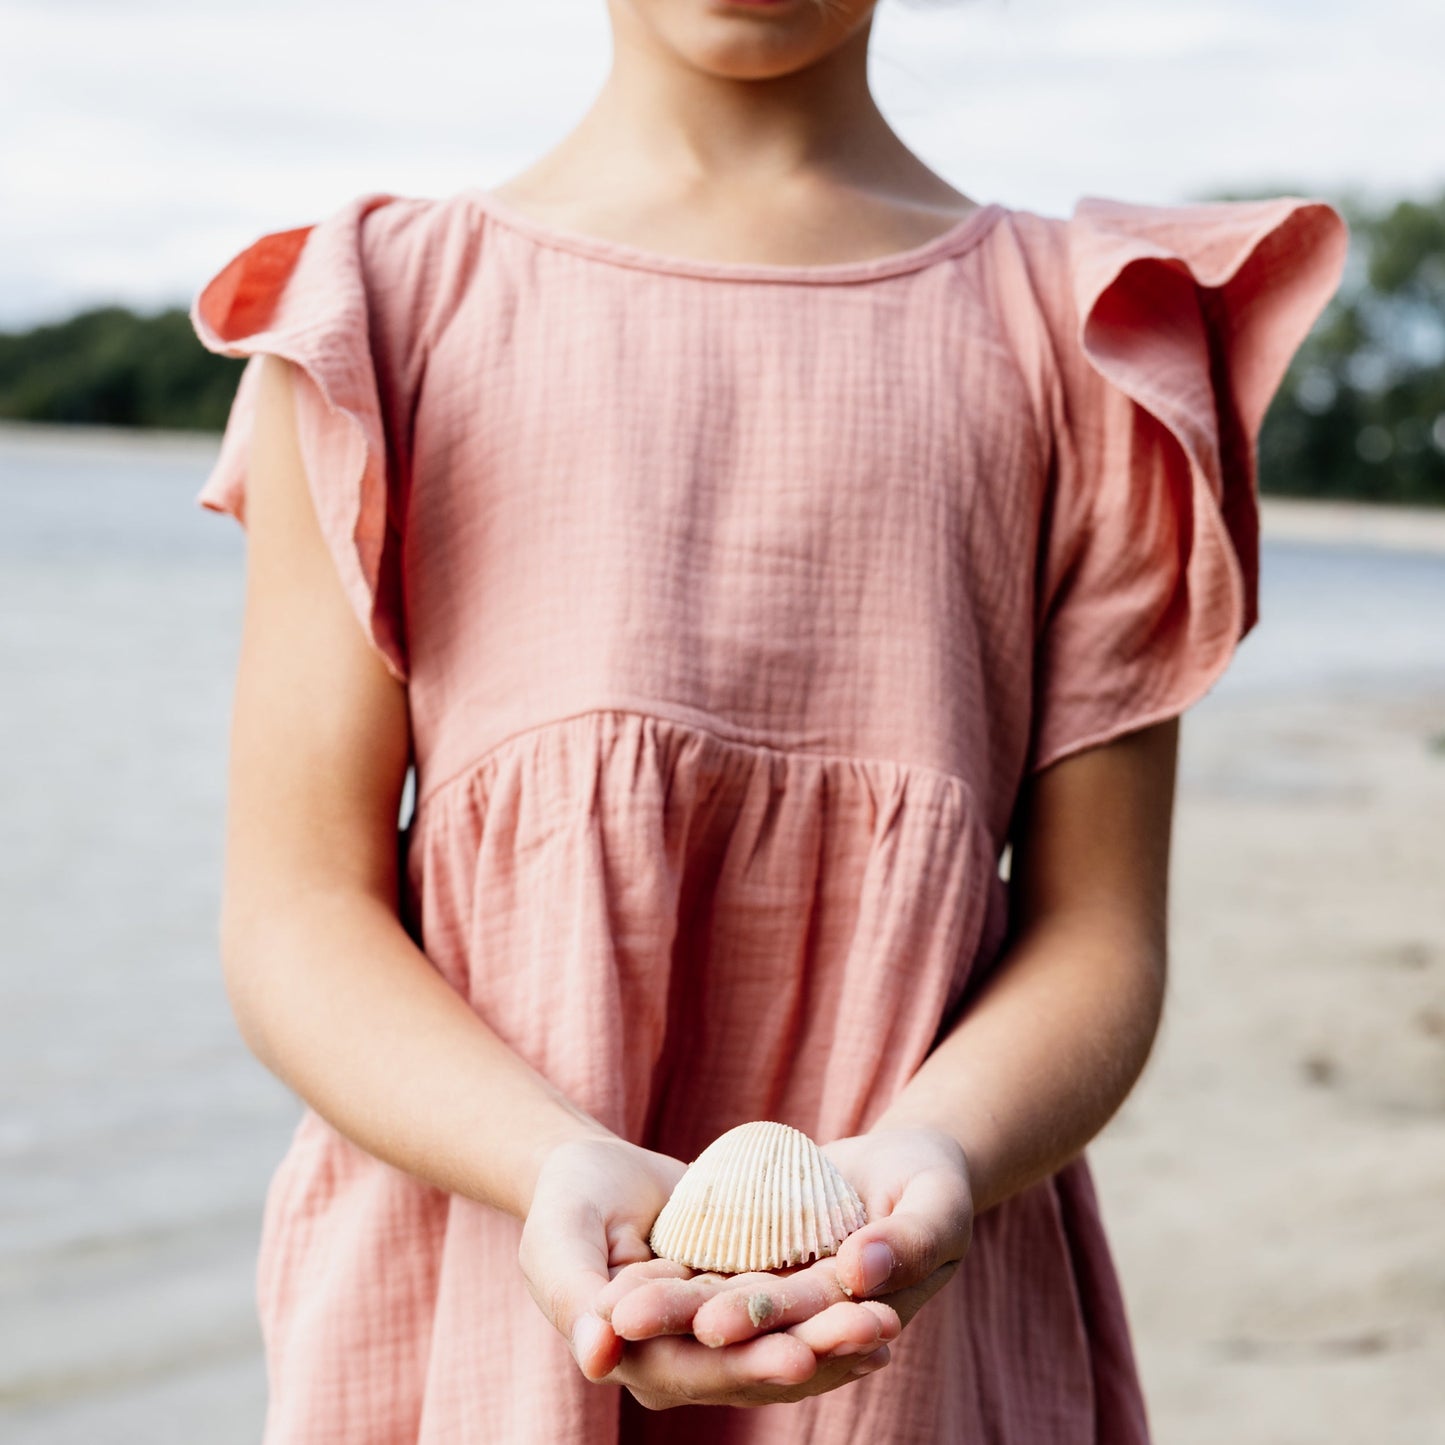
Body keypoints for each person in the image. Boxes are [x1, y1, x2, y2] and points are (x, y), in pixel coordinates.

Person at [189, 1, 1348, 1440]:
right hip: (473, 1255)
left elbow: (1098, 933)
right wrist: (550, 1160)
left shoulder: (1087, 337)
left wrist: (932, 1152)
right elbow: (296, 910)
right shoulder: (375, 313)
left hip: (908, 1292)